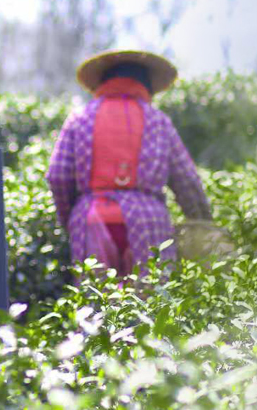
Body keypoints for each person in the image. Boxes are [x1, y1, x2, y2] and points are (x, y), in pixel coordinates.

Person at [46, 49, 214, 280]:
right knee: (150, 299)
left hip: (93, 219)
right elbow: (187, 182)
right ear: (147, 86)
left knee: (95, 300)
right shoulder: (159, 121)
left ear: (103, 82)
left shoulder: (80, 118)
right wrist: (204, 224)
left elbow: (57, 176)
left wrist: (73, 219)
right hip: (149, 222)